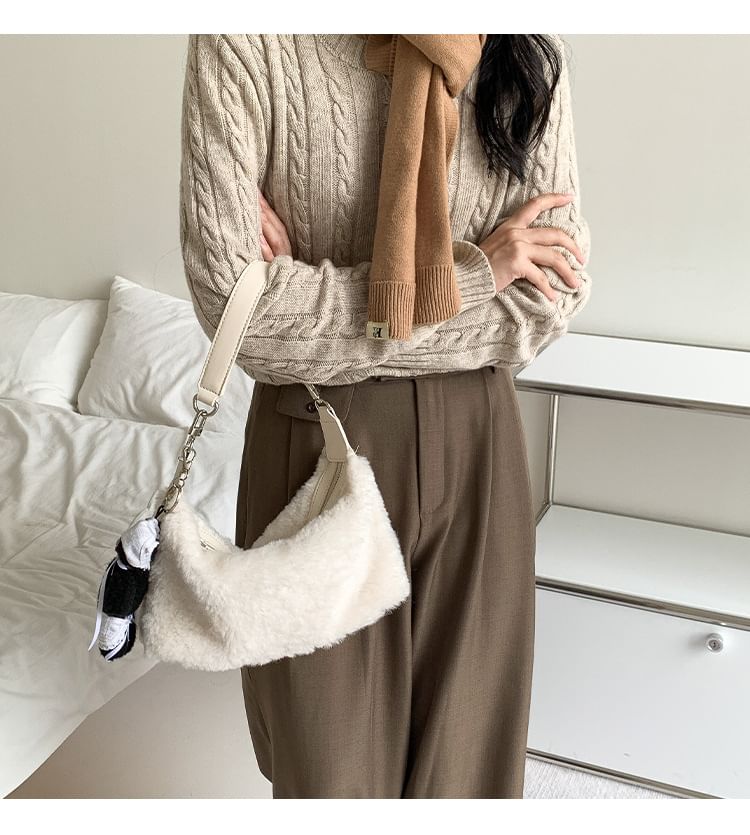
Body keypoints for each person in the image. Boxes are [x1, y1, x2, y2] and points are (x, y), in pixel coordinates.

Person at [179, 33, 591, 799]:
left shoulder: (523, 42)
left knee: (469, 778)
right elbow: (242, 315)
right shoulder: (245, 40)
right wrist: (476, 275)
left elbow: (548, 299)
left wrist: (309, 290)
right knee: (328, 779)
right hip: (314, 441)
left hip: (478, 445)